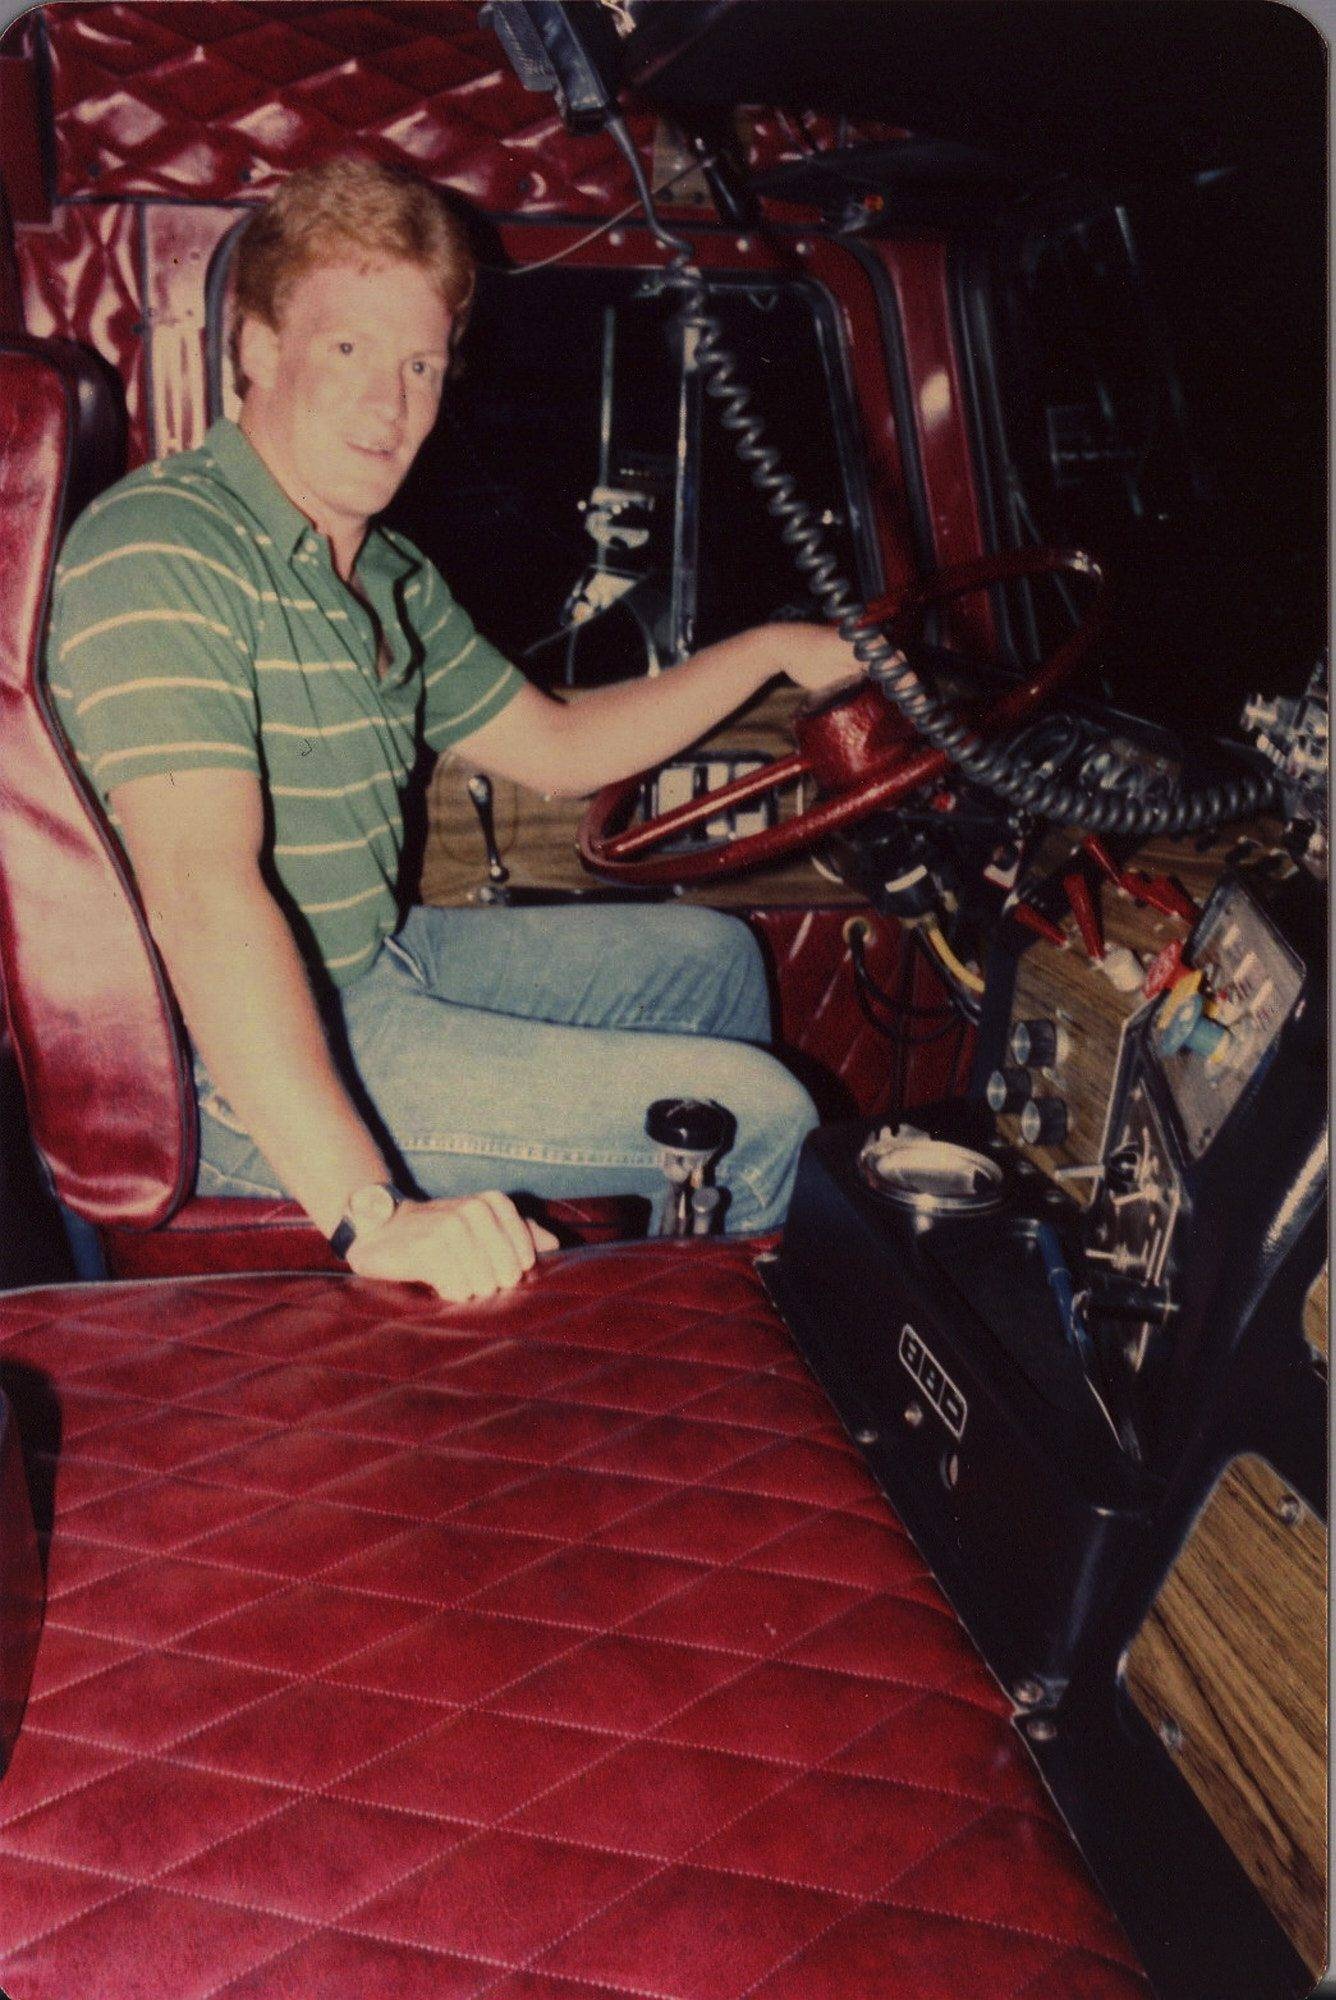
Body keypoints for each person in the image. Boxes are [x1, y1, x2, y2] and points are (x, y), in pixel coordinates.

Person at [47, 156, 861, 1302]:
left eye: (419, 365)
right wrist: (370, 1214)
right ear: (258, 348)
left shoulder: (383, 572)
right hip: (218, 1062)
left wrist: (773, 647)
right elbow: (200, 890)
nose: (391, 406)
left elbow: (560, 745)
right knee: (765, 1117)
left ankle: (644, 1299)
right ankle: (701, 1401)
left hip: (368, 963)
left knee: (712, 958)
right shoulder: (163, 550)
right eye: (348, 351)